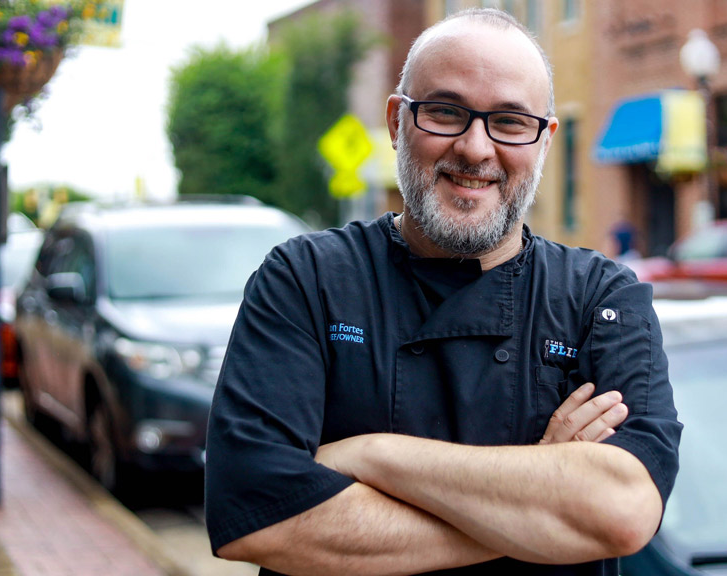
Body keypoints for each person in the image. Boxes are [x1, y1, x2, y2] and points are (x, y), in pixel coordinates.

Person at [205, 8, 682, 576]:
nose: (476, 148)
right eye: (446, 112)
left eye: (509, 121)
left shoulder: (600, 299)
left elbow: (622, 511)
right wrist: (541, 501)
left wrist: (373, 454)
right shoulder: (305, 280)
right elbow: (258, 516)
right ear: (396, 121)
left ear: (545, 140)